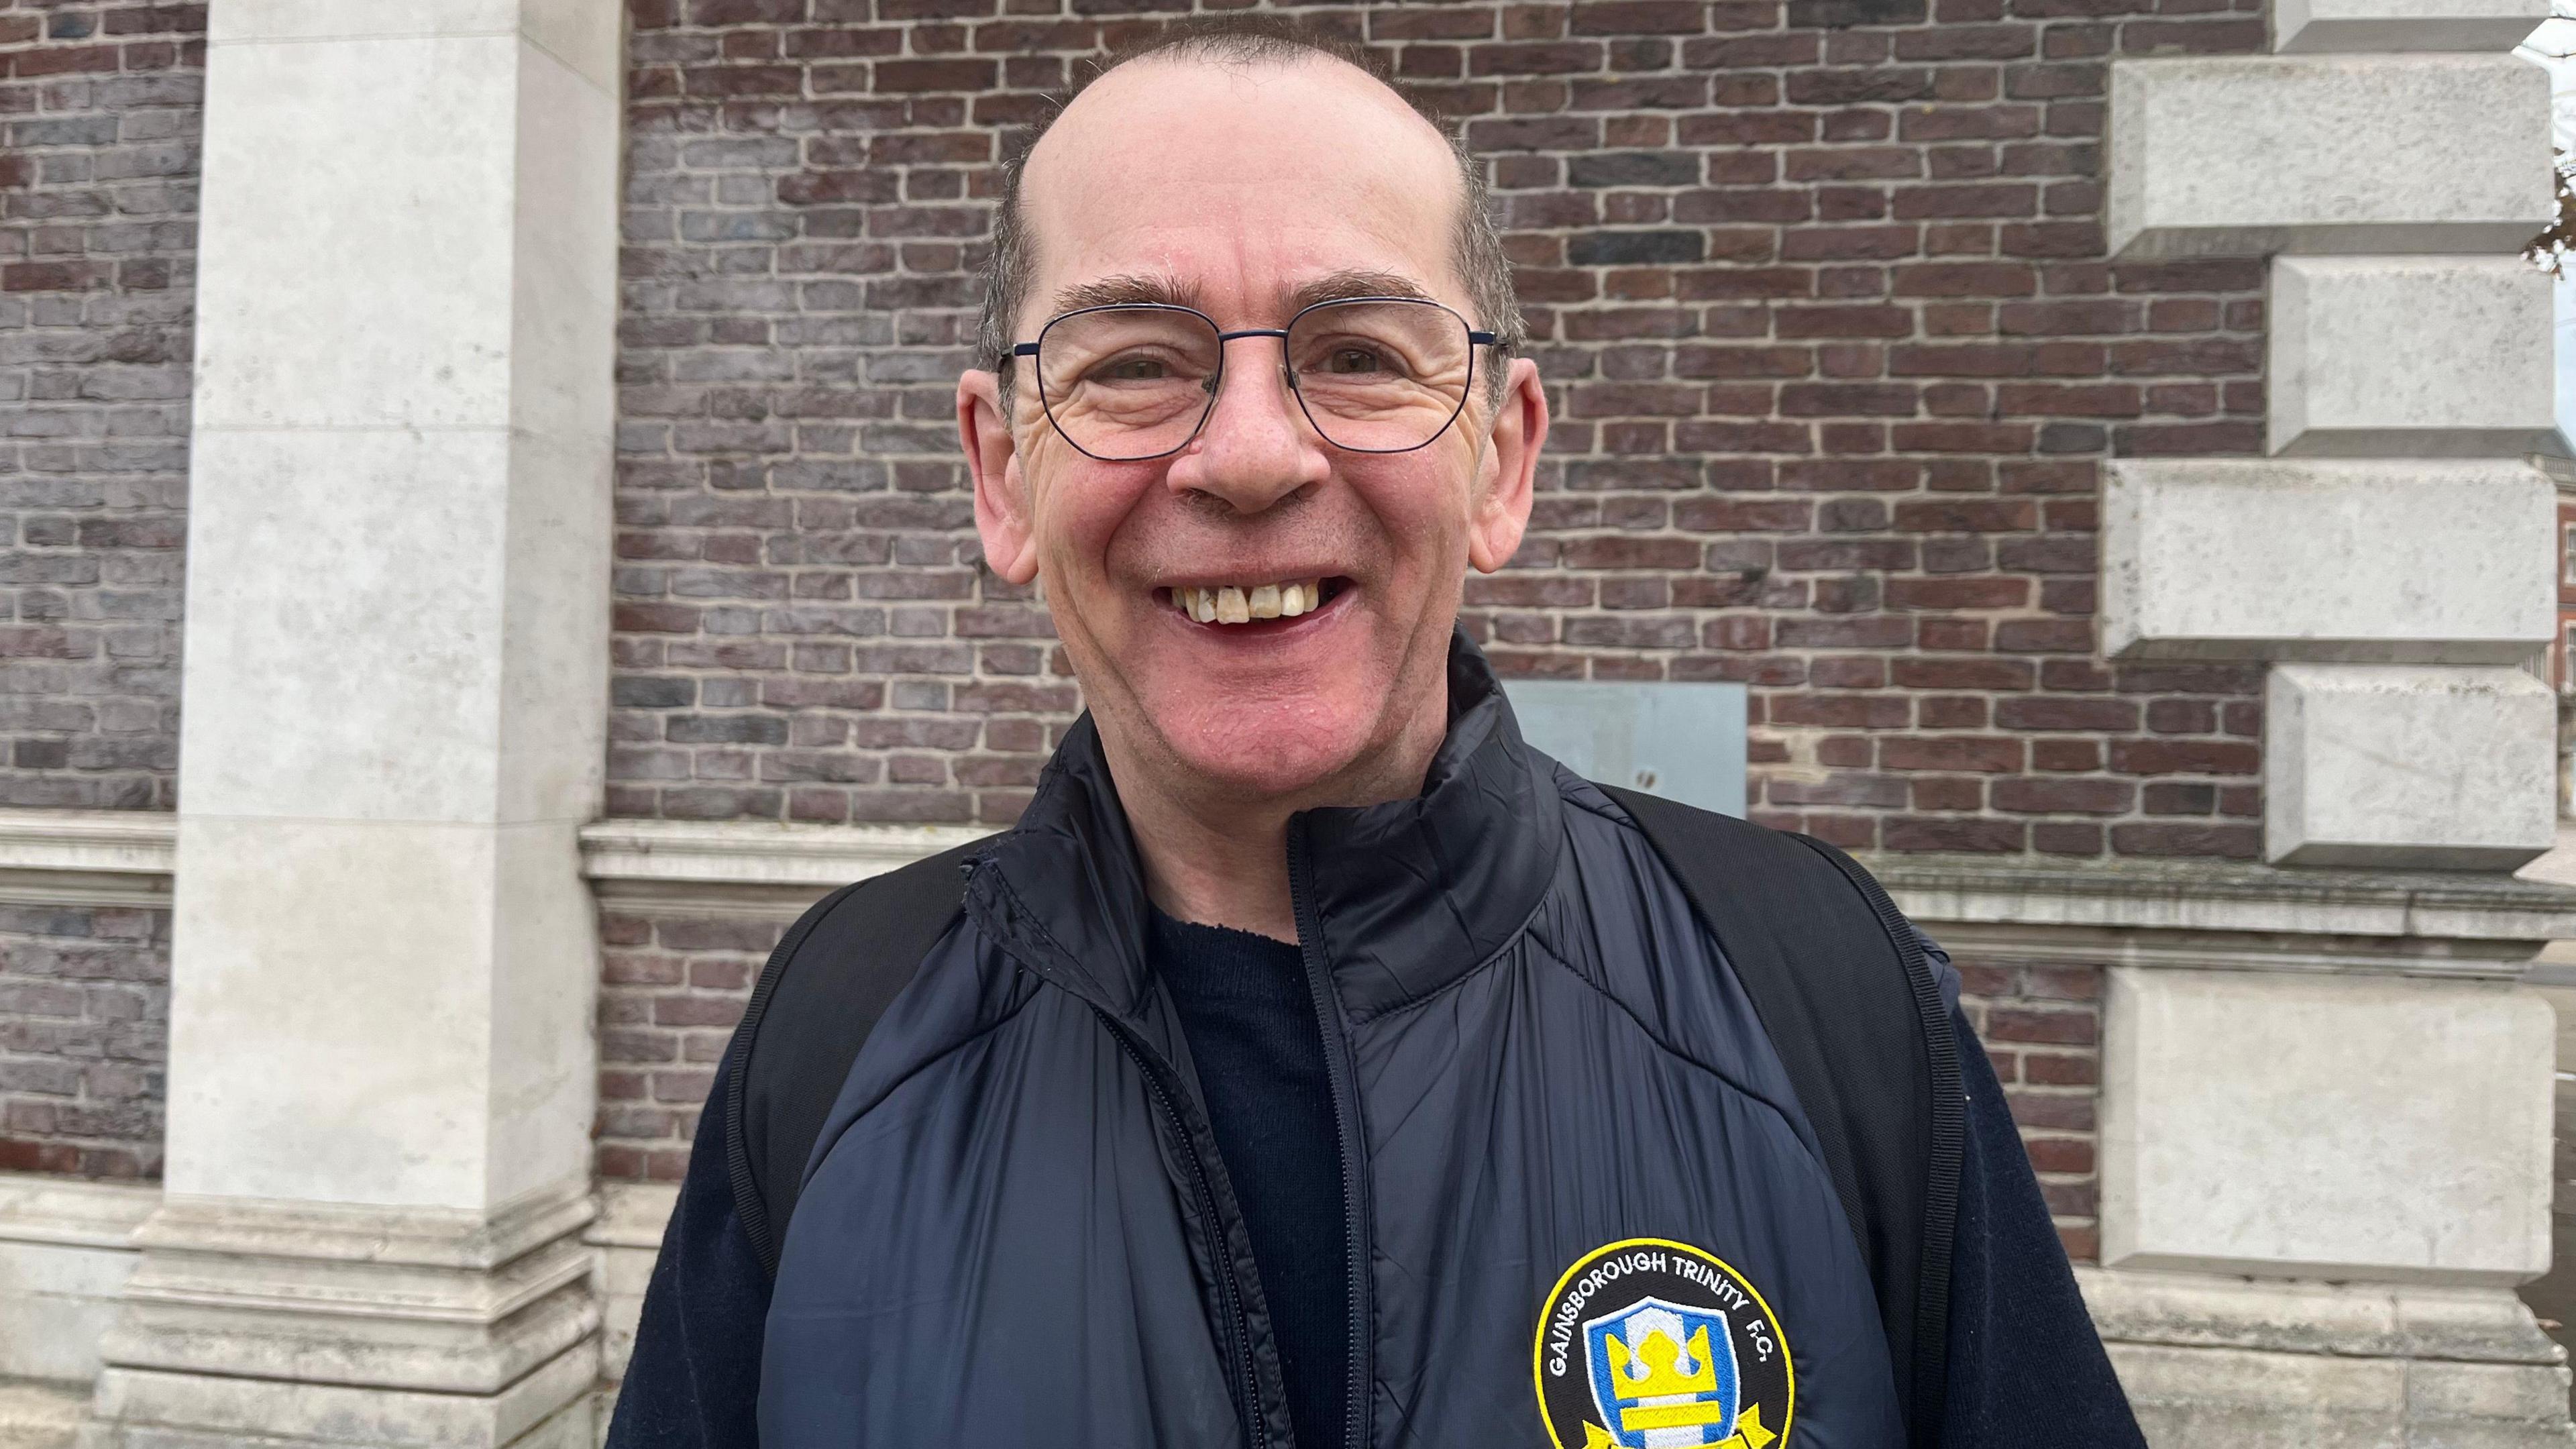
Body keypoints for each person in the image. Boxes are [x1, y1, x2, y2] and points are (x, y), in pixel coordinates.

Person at [607, 19, 2144, 1449]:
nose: (1251, 456)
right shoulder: (834, 1035)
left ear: (1502, 461)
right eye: (1133, 362)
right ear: (1002, 475)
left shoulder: (1821, 993)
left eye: (1357, 353)